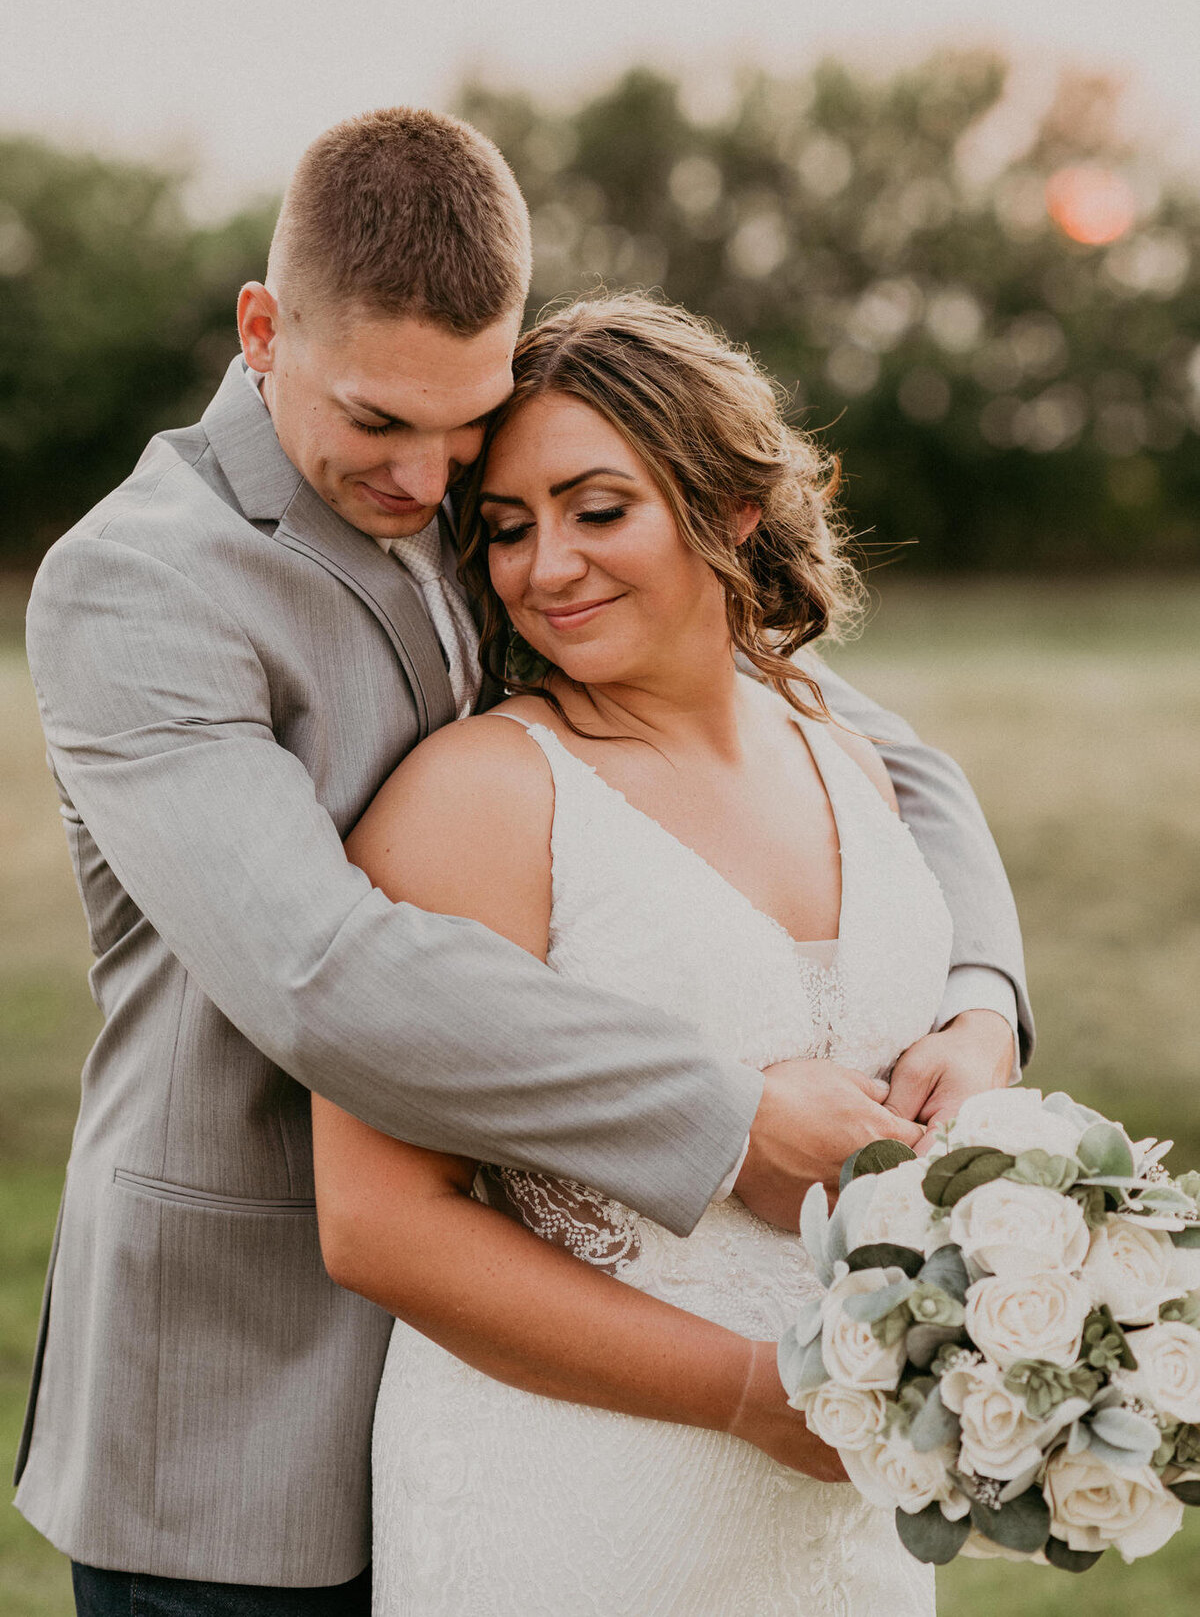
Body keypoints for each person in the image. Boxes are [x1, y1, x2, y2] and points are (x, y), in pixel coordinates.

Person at [16, 108, 1028, 1617]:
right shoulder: (134, 589)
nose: (430, 481)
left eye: (464, 423)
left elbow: (863, 743)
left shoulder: (497, 490)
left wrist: (984, 999)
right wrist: (728, 1112)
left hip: (532, 1367)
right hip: (249, 1385)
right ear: (262, 329)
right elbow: (321, 975)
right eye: (379, 424)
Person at [311, 294, 1016, 1615]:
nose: (546, 567)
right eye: (508, 528)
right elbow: (379, 1226)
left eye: (598, 508)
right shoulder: (479, 798)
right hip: (569, 1507)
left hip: (840, 1531)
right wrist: (749, 1394)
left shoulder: (853, 758)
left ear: (731, 506)